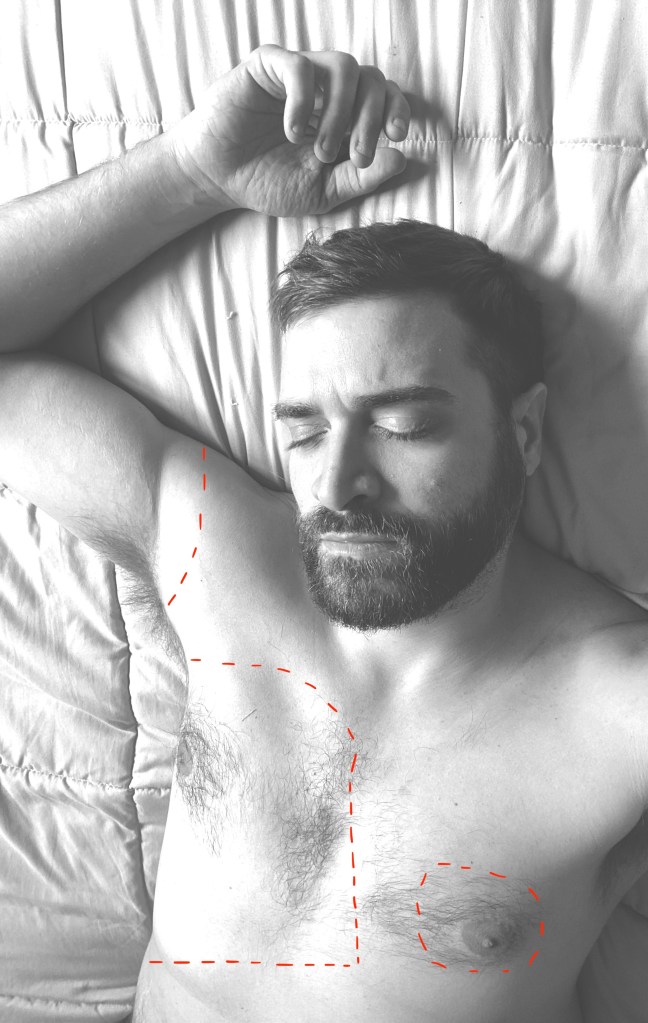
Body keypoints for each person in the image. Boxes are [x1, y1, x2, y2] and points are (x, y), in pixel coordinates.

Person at [0, 44, 647, 1023]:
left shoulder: (621, 707)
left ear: (523, 432)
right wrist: (188, 172)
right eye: (303, 431)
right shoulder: (217, 557)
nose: (338, 484)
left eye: (405, 425)